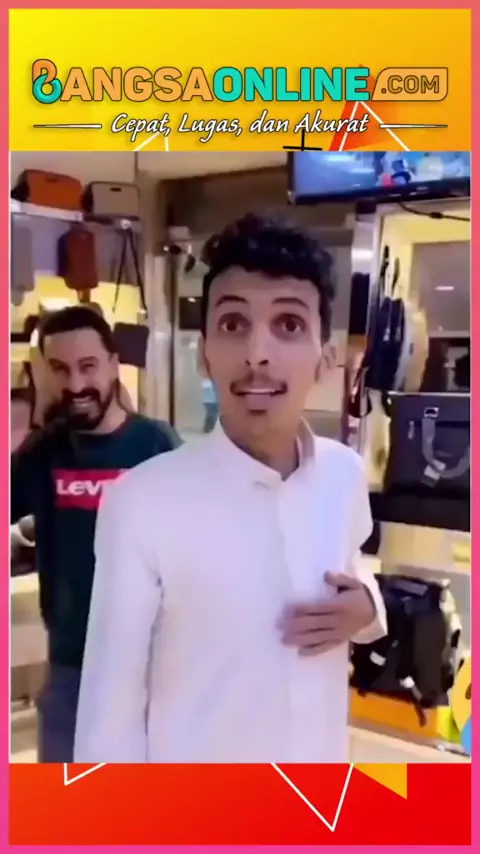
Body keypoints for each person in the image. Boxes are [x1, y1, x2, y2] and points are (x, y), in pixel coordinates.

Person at [75, 214, 387, 764]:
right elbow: (110, 712)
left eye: (288, 324)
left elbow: (351, 567)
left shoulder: (343, 475)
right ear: (204, 354)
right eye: (233, 323)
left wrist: (369, 606)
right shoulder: (142, 502)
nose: (257, 352)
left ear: (325, 357)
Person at [10, 305, 180, 762]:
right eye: (60, 370)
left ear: (113, 364)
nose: (75, 384)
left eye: (88, 366)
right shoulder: (41, 452)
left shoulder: (157, 446)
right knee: (66, 802)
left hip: (151, 667)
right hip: (71, 669)